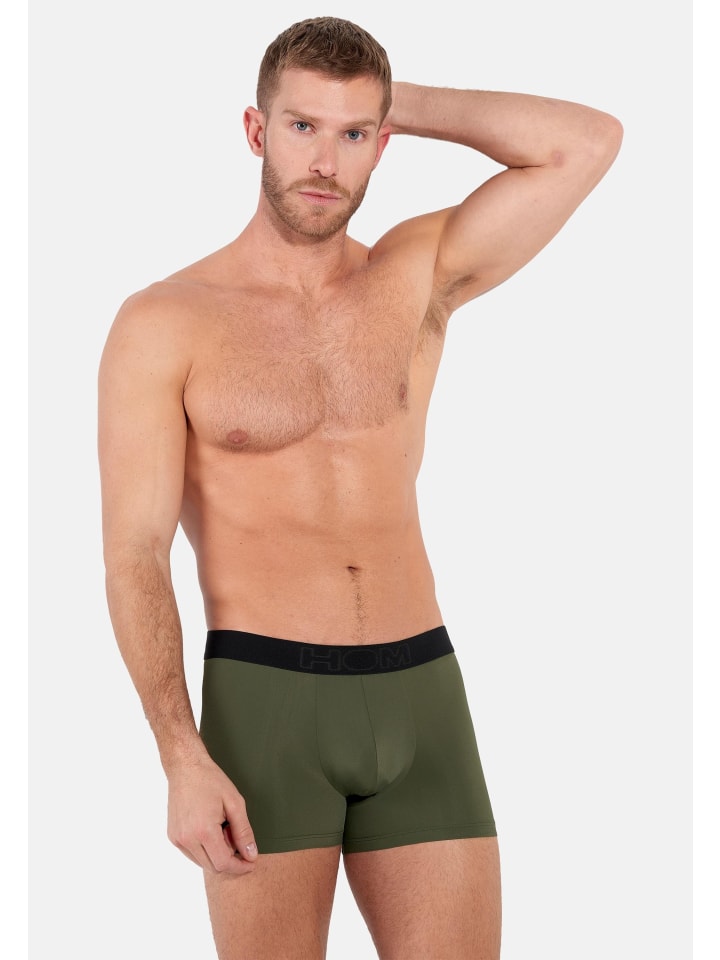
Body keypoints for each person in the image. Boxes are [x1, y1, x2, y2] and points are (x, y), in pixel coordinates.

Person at [98, 15, 622, 960]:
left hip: (423, 690)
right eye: (301, 126)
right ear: (256, 130)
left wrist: (392, 103)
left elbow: (585, 142)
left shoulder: (414, 274)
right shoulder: (164, 321)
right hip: (266, 704)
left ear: (382, 144)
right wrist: (180, 754)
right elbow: (135, 551)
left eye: (352, 135)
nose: (323, 161)